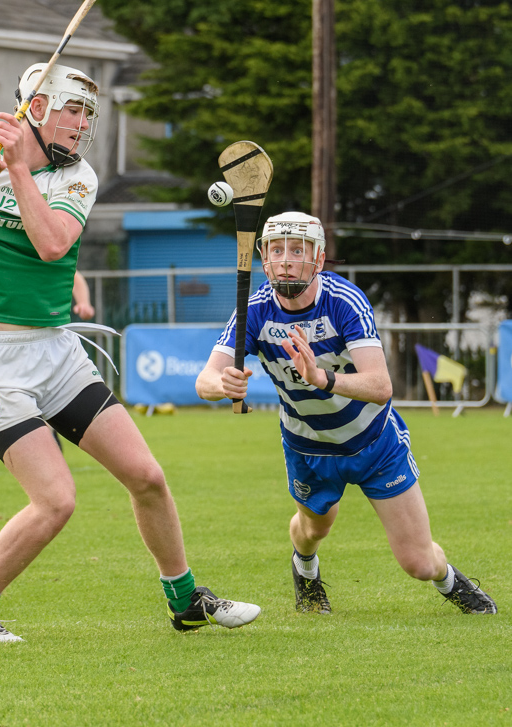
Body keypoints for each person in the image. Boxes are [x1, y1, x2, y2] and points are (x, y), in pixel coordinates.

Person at [0, 62, 260, 642]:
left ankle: (185, 602)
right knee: (56, 501)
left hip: (56, 351)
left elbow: (54, 245)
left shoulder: (78, 177)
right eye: (73, 110)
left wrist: (15, 169)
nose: (83, 124)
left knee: (147, 477)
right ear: (36, 108)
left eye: (89, 113)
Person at [196, 211, 497, 616]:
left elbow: (380, 386)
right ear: (263, 257)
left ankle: (450, 580)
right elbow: (205, 380)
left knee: (419, 563)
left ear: (318, 258)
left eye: (297, 249)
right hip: (308, 449)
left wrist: (321, 378)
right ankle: (305, 568)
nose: (286, 259)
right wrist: (223, 386)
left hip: (374, 444)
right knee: (313, 528)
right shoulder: (254, 309)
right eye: (277, 249)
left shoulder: (343, 302)